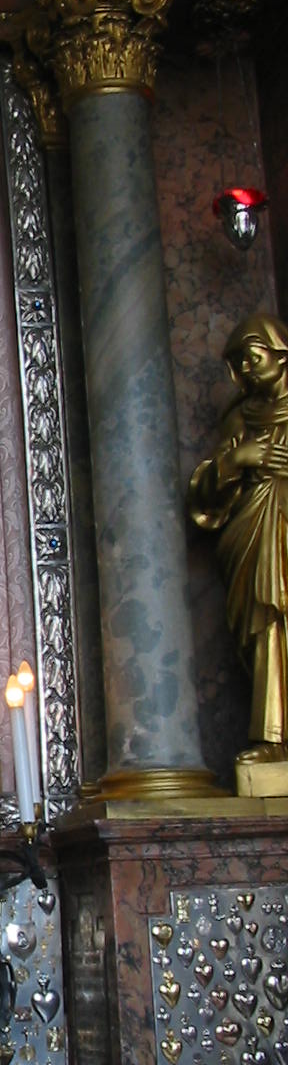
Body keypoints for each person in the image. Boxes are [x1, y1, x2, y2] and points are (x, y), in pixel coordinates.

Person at [189, 311, 288, 761]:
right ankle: (272, 738)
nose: (247, 369)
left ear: (280, 355)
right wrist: (238, 459)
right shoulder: (240, 418)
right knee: (266, 625)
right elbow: (205, 497)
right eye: (240, 362)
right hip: (254, 530)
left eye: (254, 357)